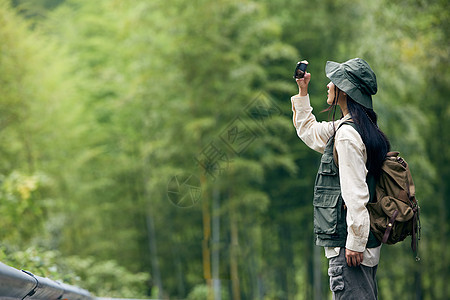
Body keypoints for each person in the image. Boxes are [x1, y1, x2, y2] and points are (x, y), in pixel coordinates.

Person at [291, 58, 390, 299]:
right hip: (359, 249)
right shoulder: (354, 127)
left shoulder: (347, 136)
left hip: (350, 251)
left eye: (333, 81)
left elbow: (356, 194)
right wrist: (302, 92)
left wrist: (354, 242)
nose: (327, 85)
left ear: (344, 90)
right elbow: (310, 131)